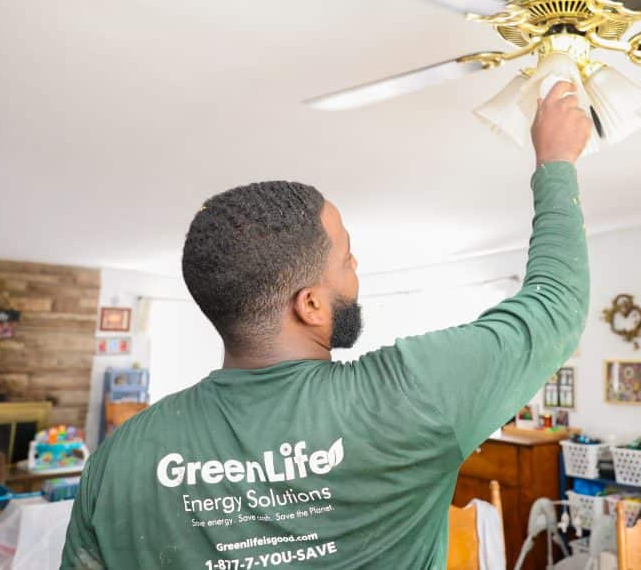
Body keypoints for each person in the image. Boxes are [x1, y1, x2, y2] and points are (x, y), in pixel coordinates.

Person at [61, 82, 593, 569]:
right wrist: (556, 161)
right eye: (345, 257)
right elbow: (555, 304)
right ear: (310, 304)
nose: (355, 265)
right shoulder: (410, 397)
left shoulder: (120, 457)